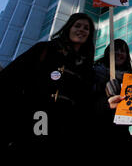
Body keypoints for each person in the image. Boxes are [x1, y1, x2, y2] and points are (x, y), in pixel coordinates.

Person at [0, 13, 96, 149]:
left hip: (67, 126)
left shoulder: (87, 67)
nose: (81, 30)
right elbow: (10, 76)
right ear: (68, 28)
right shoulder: (44, 49)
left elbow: (86, 101)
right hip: (37, 118)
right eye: (77, 26)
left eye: (86, 28)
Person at [94, 39, 132, 147]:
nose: (119, 53)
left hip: (121, 135)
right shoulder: (95, 74)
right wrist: (106, 104)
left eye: (123, 51)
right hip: (97, 131)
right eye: (116, 50)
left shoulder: (130, 80)